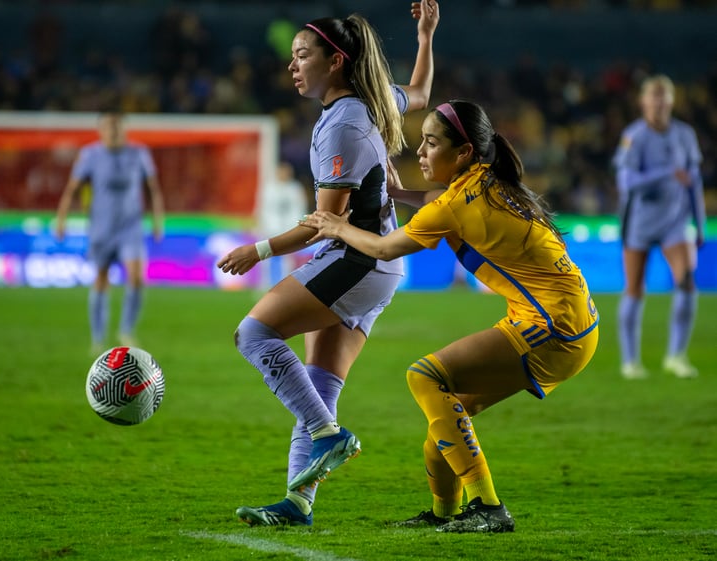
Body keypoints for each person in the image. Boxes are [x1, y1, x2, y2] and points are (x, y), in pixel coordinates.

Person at [301, 99, 599, 533]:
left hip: (551, 327)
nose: (419, 151)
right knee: (447, 421)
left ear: (462, 154)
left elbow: (385, 247)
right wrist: (394, 193)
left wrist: (336, 226)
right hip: (571, 322)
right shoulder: (486, 179)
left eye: (430, 142)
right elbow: (437, 199)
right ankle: (445, 515)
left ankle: (488, 507)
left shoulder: (456, 203)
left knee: (425, 377)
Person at [216, 1, 440, 527]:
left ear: (335, 60)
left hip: (356, 259)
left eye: (301, 56)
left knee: (253, 335)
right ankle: (298, 504)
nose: (292, 66)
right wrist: (426, 35)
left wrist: (259, 250)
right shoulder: (372, 101)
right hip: (379, 266)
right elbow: (423, 93)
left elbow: (326, 220)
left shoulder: (342, 126)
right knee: (317, 387)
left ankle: (329, 436)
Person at [612, 74, 705, 380]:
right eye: (654, 96)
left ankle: (676, 355)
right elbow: (626, 183)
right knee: (635, 288)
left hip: (675, 222)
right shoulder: (634, 136)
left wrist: (700, 223)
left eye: (665, 96)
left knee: (687, 280)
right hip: (638, 222)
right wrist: (666, 172)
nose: (660, 101)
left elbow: (693, 183)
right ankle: (630, 361)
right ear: (643, 101)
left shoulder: (685, 135)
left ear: (672, 101)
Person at [55, 110, 165, 353]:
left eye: (117, 126)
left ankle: (126, 330)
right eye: (108, 127)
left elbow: (153, 188)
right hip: (101, 227)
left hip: (131, 226)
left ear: (124, 129)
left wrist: (158, 220)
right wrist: (61, 219)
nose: (113, 131)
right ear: (100, 130)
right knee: (101, 278)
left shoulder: (139, 153)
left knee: (136, 276)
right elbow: (73, 188)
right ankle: (98, 337)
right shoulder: (90, 155)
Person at [256, 160, 310, 289]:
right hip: (271, 227)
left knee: (288, 257)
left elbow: (300, 207)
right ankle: (265, 283)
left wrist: (299, 224)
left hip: (288, 227)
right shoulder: (269, 188)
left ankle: (286, 284)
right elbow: (263, 207)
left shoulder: (295, 188)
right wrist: (261, 223)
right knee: (265, 255)